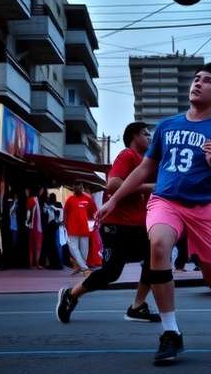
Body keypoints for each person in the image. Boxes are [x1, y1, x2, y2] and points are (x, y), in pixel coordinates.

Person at [96, 62, 211, 366]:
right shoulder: (167, 126)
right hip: (166, 202)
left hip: (203, 209)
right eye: (196, 78)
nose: (198, 83)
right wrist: (114, 200)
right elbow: (144, 169)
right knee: (159, 245)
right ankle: (171, 333)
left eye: (206, 81)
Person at [56, 121, 161, 324]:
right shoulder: (127, 155)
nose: (149, 138)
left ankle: (138, 306)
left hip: (138, 226)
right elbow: (112, 184)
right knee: (111, 272)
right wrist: (147, 187)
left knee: (154, 259)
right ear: (134, 137)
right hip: (117, 225)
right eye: (145, 134)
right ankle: (71, 295)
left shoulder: (145, 161)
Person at [63, 181, 96, 275]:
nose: (78, 188)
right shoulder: (70, 200)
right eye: (76, 186)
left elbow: (93, 212)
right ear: (73, 188)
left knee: (84, 252)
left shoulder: (88, 199)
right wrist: (65, 225)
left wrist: (94, 224)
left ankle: (80, 267)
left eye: (80, 186)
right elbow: (65, 213)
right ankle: (85, 268)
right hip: (72, 229)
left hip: (85, 229)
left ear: (82, 187)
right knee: (73, 249)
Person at [39, 193, 63, 269]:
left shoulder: (51, 205)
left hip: (50, 227)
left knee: (53, 245)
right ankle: (56, 263)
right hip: (54, 226)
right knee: (55, 245)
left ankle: (55, 263)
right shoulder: (57, 204)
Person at [26, 187, 43, 268]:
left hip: (34, 226)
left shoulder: (34, 200)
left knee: (32, 245)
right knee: (36, 246)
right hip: (35, 226)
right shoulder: (33, 200)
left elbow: (28, 212)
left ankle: (32, 263)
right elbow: (29, 212)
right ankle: (35, 263)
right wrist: (28, 222)